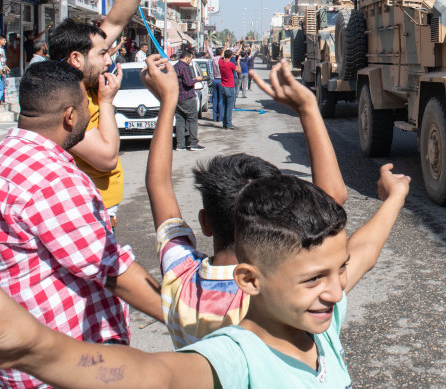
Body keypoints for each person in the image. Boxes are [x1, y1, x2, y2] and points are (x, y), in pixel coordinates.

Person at [0, 135, 411, 388]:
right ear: (248, 280)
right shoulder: (236, 356)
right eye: (316, 279)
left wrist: (392, 200)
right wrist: (32, 346)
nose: (338, 290)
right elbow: (151, 375)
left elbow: (361, 251)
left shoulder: (322, 313)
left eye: (335, 273)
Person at [0, 60, 163, 388]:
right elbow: (111, 269)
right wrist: (187, 316)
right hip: (68, 364)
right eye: (86, 108)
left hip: (16, 363)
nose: (88, 115)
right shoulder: (52, 179)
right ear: (70, 116)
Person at [147, 59, 349, 348]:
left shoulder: (181, 276)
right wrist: (308, 109)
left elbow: (159, 185)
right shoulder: (274, 292)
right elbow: (331, 200)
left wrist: (168, 102)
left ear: (205, 222)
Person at [50, 7, 140, 228]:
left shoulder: (84, 82)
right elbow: (106, 159)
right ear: (76, 59)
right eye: (102, 54)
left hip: (96, 206)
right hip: (85, 212)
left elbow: (117, 20)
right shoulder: (66, 101)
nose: (108, 61)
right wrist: (107, 102)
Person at [173, 49, 204, 151]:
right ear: (186, 58)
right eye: (190, 59)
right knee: (192, 120)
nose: (191, 61)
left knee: (180, 121)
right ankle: (193, 144)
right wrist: (197, 79)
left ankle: (180, 145)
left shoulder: (175, 66)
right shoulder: (184, 67)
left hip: (178, 98)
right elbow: (189, 83)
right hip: (187, 97)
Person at [205, 37, 229, 122]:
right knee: (221, 100)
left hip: (215, 80)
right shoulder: (221, 59)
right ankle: (220, 117)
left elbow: (209, 50)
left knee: (215, 99)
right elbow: (224, 51)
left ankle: (214, 117)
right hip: (221, 80)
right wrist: (227, 42)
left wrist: (207, 44)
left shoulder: (213, 59)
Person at [219, 48, 240, 129]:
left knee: (224, 105)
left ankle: (224, 123)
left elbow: (221, 55)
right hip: (230, 86)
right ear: (231, 56)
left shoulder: (221, 62)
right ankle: (228, 123)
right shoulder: (231, 64)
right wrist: (238, 63)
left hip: (223, 86)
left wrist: (226, 44)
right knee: (229, 106)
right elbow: (239, 71)